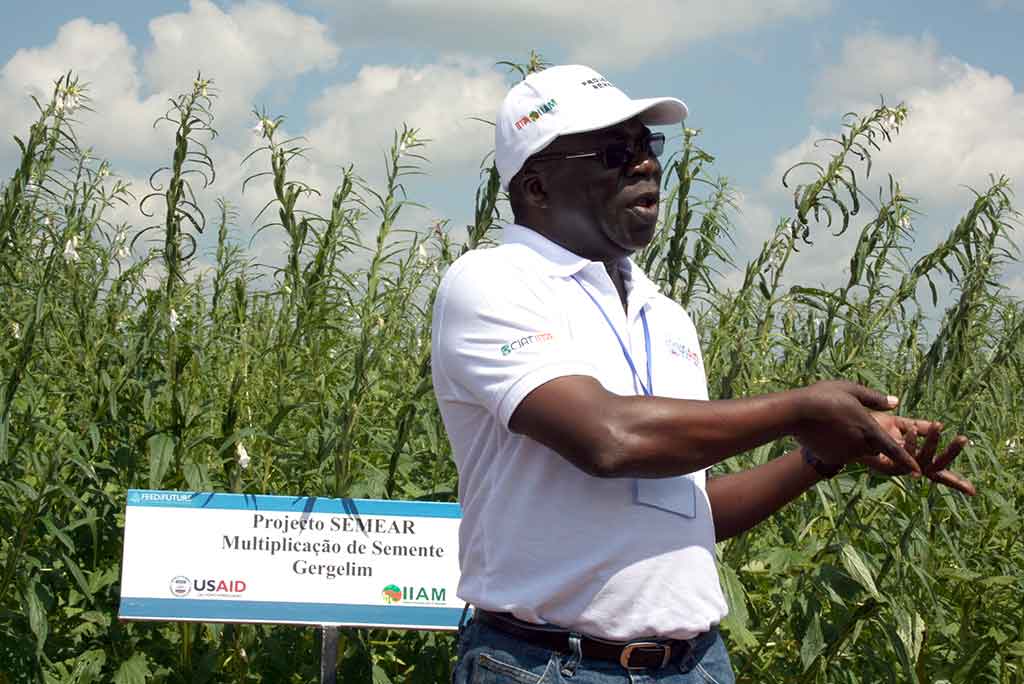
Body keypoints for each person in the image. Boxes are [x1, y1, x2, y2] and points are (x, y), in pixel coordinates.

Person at [431, 64, 975, 684]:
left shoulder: (665, 315)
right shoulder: (493, 281)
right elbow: (609, 439)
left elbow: (691, 507)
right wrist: (800, 409)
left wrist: (823, 455)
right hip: (549, 665)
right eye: (614, 153)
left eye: (648, 146)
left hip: (695, 665)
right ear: (536, 188)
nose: (645, 165)